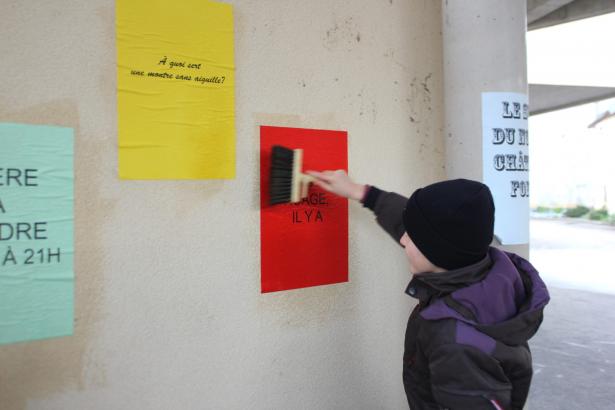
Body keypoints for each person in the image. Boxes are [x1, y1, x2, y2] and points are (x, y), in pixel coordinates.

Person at [306, 170, 550, 410]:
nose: (403, 240)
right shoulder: (485, 272)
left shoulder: (455, 342)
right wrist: (360, 192)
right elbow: (418, 227)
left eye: (411, 238)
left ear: (438, 252)